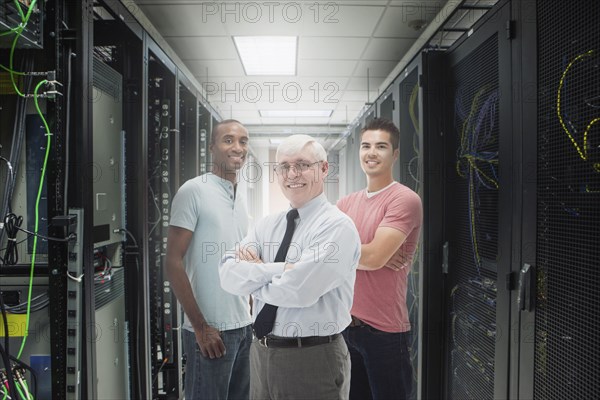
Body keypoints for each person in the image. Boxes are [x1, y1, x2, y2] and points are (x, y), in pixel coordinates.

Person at [219, 134, 361, 400]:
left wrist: (255, 277)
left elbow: (298, 292)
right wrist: (281, 269)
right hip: (261, 354)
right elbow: (227, 275)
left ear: (324, 168)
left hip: (312, 358)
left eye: (303, 165)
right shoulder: (266, 225)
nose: (292, 173)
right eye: (284, 166)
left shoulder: (336, 227)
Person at [337, 118, 423, 400]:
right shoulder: (346, 203)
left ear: (395, 154)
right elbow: (319, 252)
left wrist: (366, 254)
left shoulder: (404, 199)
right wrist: (370, 253)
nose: (371, 152)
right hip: (346, 326)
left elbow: (373, 257)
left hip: (384, 334)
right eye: (366, 146)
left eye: (381, 146)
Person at [166, 119, 252, 400]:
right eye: (228, 140)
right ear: (212, 147)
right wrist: (201, 327)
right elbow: (172, 262)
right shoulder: (194, 191)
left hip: (242, 327)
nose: (237, 147)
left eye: (243, 141)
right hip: (210, 331)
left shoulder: (241, 198)